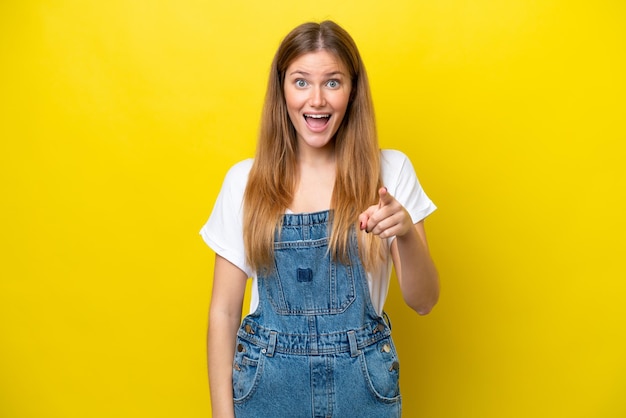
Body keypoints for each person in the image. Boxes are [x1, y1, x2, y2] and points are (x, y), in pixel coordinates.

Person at [200, 20, 439, 418]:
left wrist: (407, 234)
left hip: (362, 391)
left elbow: (424, 301)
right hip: (267, 392)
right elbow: (223, 314)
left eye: (332, 82)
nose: (317, 100)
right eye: (300, 82)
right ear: (282, 91)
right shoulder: (245, 182)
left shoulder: (390, 172)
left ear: (352, 91)